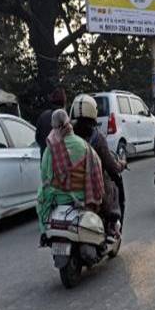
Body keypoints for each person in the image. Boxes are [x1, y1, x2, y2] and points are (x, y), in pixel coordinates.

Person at [36, 109, 104, 229]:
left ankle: (44, 234)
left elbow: (44, 178)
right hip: (81, 201)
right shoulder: (84, 146)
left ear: (53, 127)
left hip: (57, 202)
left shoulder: (49, 150)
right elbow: (97, 173)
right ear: (69, 124)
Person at [70, 94, 125, 228]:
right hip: (93, 190)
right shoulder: (97, 138)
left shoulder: (68, 136)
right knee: (115, 187)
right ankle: (114, 227)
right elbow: (111, 167)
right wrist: (121, 165)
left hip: (70, 187)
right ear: (93, 112)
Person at [35, 86, 67, 156]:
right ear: (64, 102)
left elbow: (37, 138)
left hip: (45, 158)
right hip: (63, 159)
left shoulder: (43, 117)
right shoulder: (66, 119)